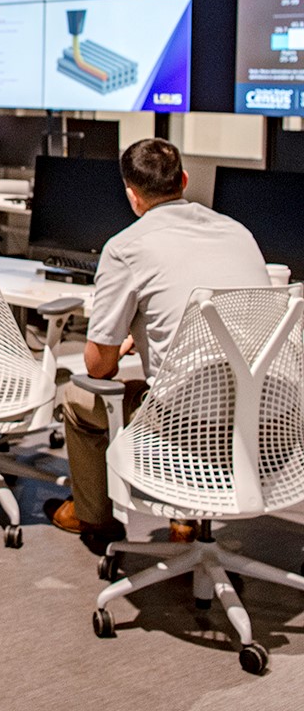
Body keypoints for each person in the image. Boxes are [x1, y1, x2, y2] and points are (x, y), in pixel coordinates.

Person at [45, 139, 269, 552]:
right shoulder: (238, 232)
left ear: (132, 196)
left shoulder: (127, 247)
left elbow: (100, 368)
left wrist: (121, 341)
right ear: (184, 180)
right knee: (197, 390)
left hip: (185, 432)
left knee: (78, 398)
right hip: (266, 425)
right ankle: (184, 521)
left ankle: (92, 517)